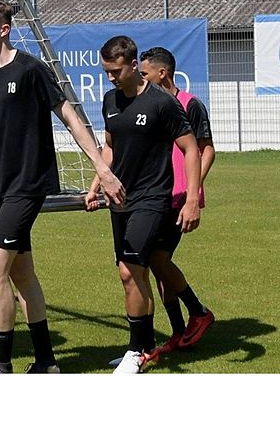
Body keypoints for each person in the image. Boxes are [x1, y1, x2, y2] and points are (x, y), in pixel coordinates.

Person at [0, 0, 125, 374]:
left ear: (3, 30)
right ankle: (45, 361)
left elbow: (70, 117)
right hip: (0, 188)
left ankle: (2, 362)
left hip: (29, 185)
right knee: (22, 274)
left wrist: (101, 169)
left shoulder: (30, 70)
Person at [85, 36, 202, 374]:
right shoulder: (109, 100)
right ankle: (146, 346)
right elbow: (110, 147)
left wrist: (192, 198)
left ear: (134, 65)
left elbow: (191, 149)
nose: (110, 78)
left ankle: (137, 350)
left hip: (152, 198)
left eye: (116, 71)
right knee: (132, 271)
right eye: (106, 71)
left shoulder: (161, 102)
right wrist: (96, 184)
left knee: (130, 269)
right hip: (119, 199)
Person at [139, 46, 216, 357]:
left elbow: (206, 149)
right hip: (155, 194)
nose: (140, 79)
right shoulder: (152, 105)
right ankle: (178, 332)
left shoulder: (189, 105)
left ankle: (199, 312)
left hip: (178, 198)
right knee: (158, 265)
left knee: (158, 260)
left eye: (144, 74)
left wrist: (193, 192)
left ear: (162, 73)